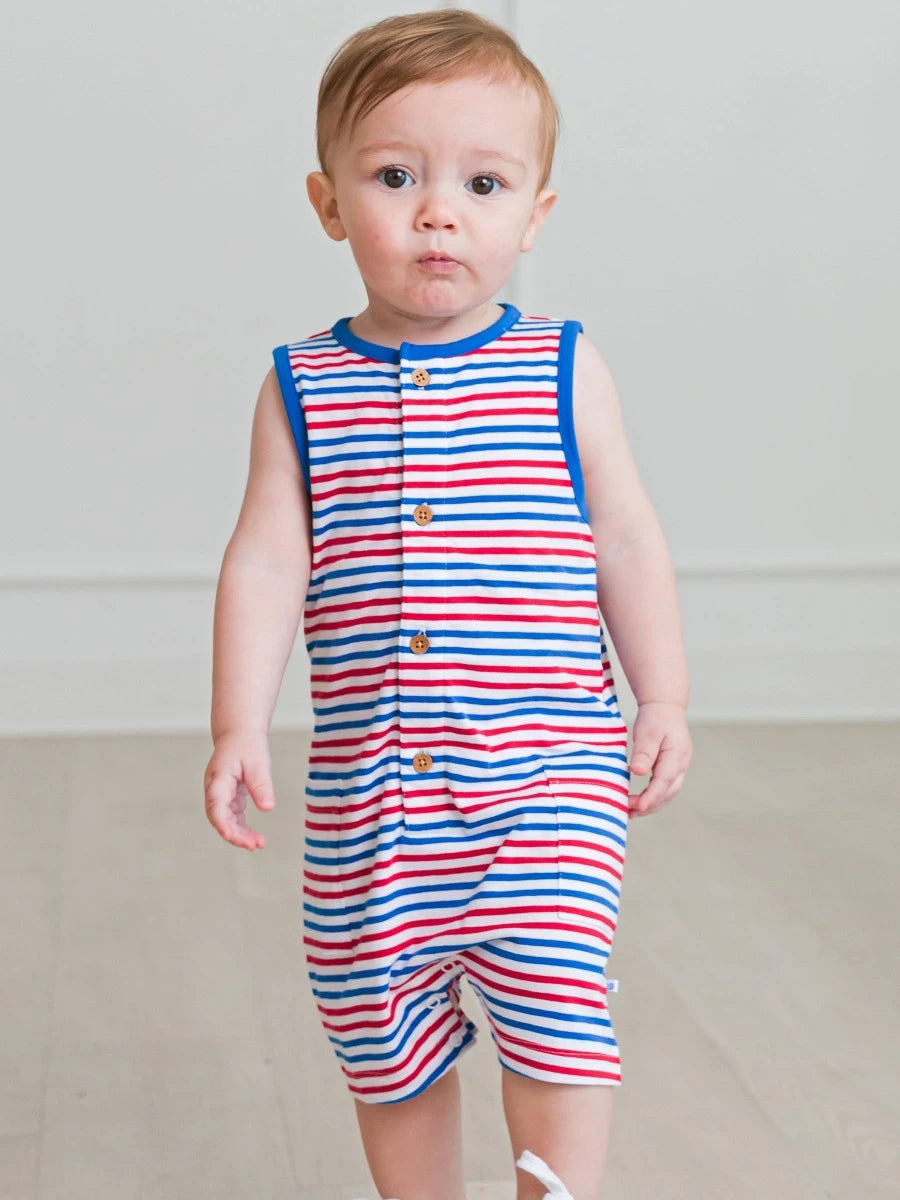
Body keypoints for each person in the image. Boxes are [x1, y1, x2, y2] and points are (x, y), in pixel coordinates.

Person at [203, 8, 692, 1200]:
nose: (439, 213)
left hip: (545, 780)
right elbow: (265, 560)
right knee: (383, 1040)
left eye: (483, 183)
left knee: (558, 1009)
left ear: (535, 214)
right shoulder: (302, 388)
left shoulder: (563, 368)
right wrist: (237, 722)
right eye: (394, 177)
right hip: (373, 798)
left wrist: (664, 694)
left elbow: (626, 536)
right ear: (328, 204)